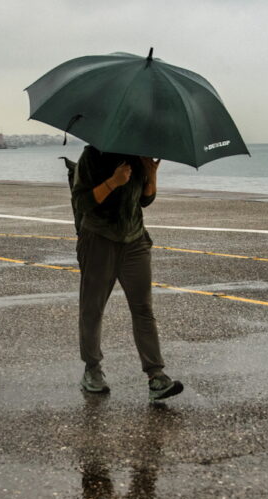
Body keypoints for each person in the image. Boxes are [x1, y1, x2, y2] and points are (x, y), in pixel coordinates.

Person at [71, 145, 183, 401]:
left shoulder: (139, 154)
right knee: (92, 307)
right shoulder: (92, 156)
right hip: (98, 238)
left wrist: (151, 175)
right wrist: (113, 181)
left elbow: (145, 200)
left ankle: (156, 375)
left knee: (143, 308)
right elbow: (82, 202)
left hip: (134, 240)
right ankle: (92, 369)